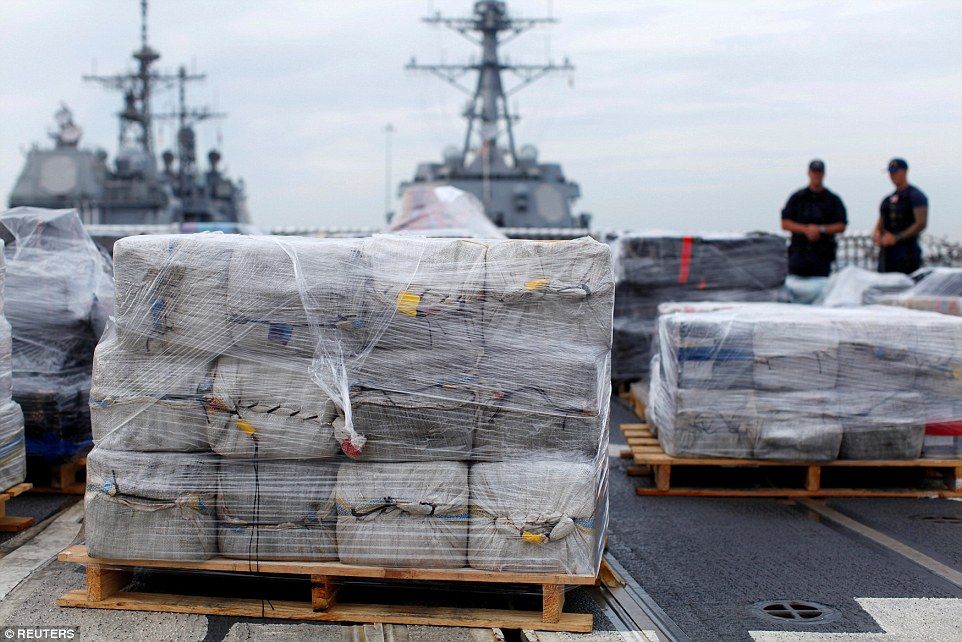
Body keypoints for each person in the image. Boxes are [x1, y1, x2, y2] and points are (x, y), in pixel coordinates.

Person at [780, 159, 848, 277]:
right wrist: (806, 229)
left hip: (822, 256)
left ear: (823, 174)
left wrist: (820, 229)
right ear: (809, 173)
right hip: (799, 255)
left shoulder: (832, 199)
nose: (816, 175)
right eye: (814, 172)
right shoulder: (797, 197)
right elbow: (785, 223)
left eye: (819, 172)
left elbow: (841, 225)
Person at [873, 158, 928, 274]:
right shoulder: (888, 200)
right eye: (890, 173)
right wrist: (877, 234)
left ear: (904, 172)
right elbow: (880, 223)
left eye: (895, 172)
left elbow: (921, 223)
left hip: (907, 252)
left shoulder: (915, 196)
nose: (892, 176)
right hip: (887, 254)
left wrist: (897, 237)